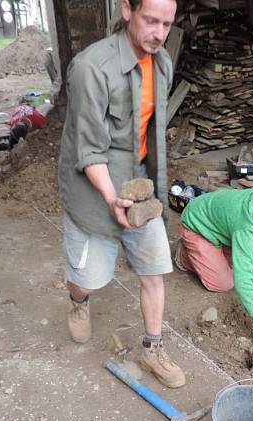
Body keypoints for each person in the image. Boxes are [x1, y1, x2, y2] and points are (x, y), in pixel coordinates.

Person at [58, 0, 185, 388]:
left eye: (167, 24)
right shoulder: (90, 69)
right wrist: (113, 198)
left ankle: (153, 349)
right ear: (128, 10)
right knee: (89, 279)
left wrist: (150, 190)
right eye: (151, 20)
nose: (159, 33)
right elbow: (88, 150)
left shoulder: (162, 63)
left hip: (139, 189)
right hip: (92, 190)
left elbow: (151, 134)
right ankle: (79, 302)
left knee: (154, 271)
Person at [176, 189, 253, 349]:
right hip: (197, 225)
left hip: (221, 222)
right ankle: (185, 256)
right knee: (223, 283)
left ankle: (215, 257)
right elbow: (242, 282)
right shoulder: (248, 230)